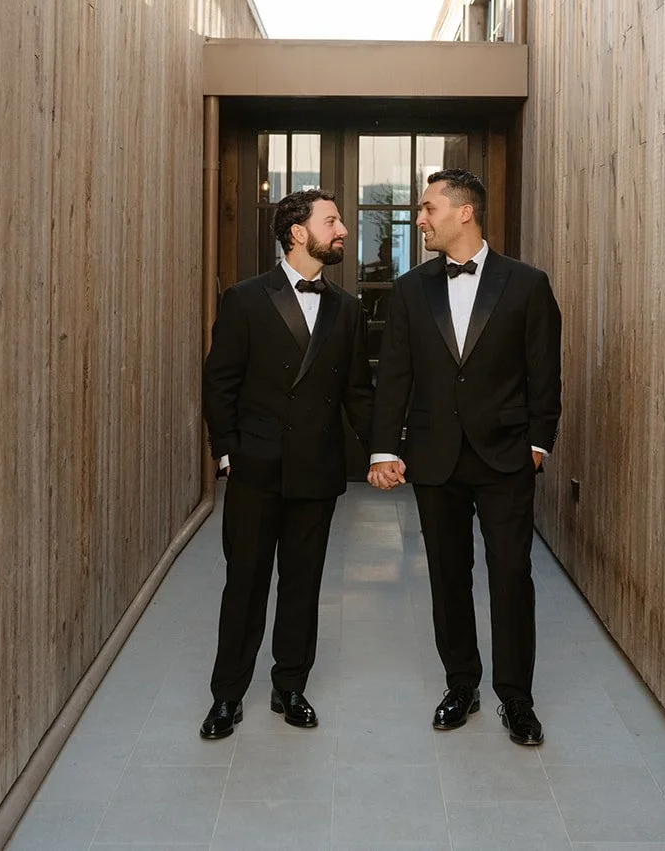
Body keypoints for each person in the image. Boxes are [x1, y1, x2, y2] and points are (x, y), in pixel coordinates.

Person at [367, 168, 561, 746]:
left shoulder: (527, 284)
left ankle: (517, 699)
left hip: (506, 457)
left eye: (429, 208)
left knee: (512, 576)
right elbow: (394, 376)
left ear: (465, 212)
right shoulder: (410, 289)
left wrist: (537, 444)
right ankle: (461, 684)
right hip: (435, 458)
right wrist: (384, 448)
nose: (420, 218)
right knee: (447, 575)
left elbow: (544, 371)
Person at [199, 188, 374, 739]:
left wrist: (383, 452)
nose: (342, 230)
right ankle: (227, 695)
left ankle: (290, 686)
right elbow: (219, 382)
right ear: (299, 233)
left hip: (316, 469)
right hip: (256, 468)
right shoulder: (246, 299)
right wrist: (228, 452)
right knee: (245, 585)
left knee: (303, 584)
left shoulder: (347, 308)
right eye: (332, 221)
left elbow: (358, 392)